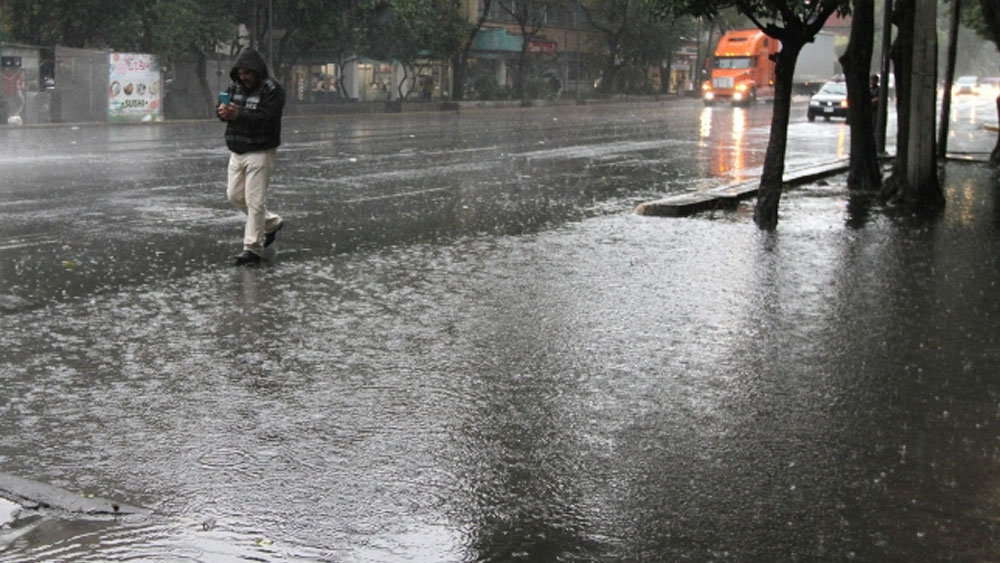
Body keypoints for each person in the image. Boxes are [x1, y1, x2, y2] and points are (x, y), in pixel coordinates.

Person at [217, 48, 285, 266]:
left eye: (248, 73)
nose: (243, 77)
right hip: (237, 149)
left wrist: (238, 115)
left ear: (257, 71)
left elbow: (267, 118)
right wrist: (222, 112)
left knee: (255, 201)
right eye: (240, 73)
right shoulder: (234, 86)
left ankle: (252, 247)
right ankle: (271, 223)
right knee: (234, 196)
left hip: (260, 150)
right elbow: (220, 113)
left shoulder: (272, 90)